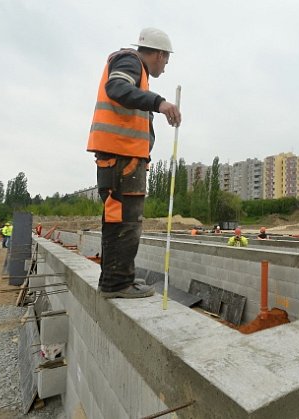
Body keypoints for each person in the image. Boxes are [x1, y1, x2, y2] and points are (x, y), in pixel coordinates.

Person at [86, 28, 181, 299]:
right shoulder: (130, 62)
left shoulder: (138, 73)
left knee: (123, 221)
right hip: (121, 159)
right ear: (160, 54)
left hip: (123, 158)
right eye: (166, 59)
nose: (165, 65)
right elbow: (116, 88)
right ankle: (117, 285)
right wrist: (159, 103)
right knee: (125, 222)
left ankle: (119, 279)